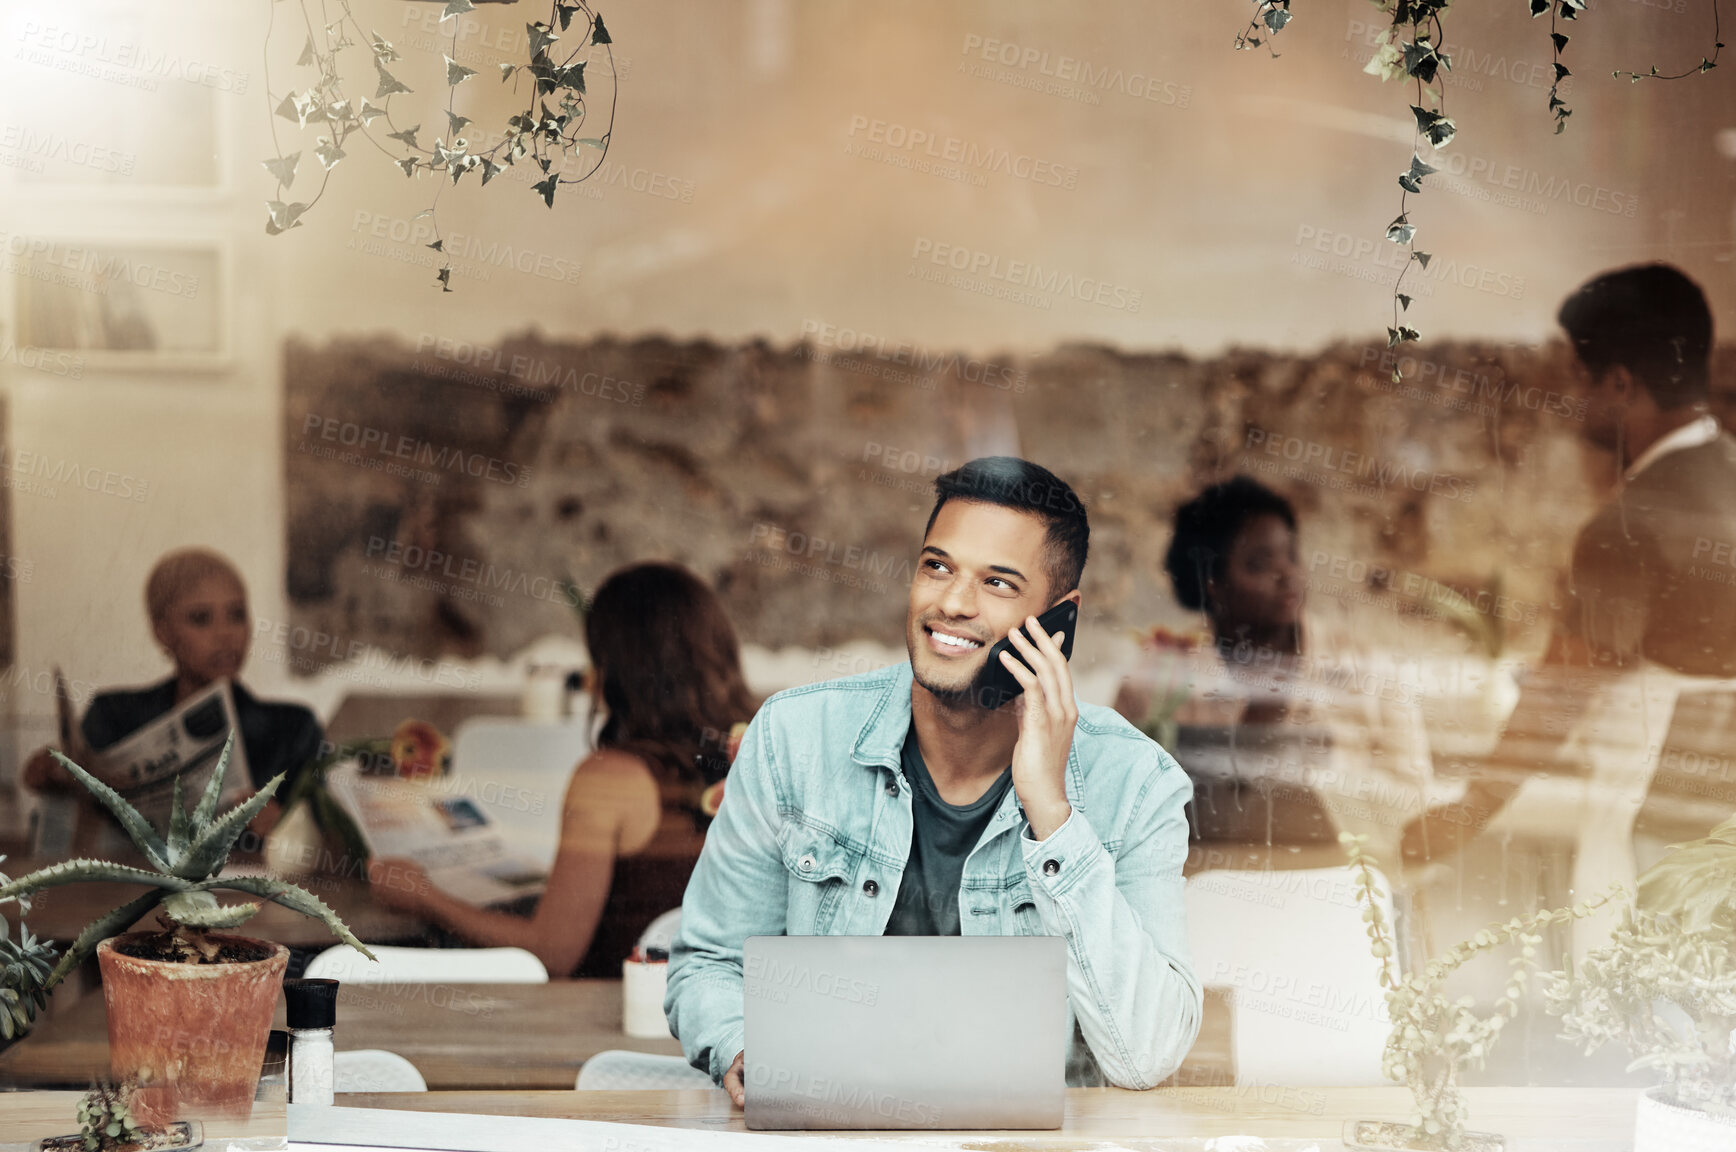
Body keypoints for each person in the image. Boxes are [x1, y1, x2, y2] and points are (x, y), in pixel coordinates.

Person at [666, 457, 1201, 1105]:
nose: (951, 602)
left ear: (1060, 621)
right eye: (937, 566)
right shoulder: (794, 739)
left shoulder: (1137, 784)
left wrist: (1052, 815)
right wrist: (746, 1051)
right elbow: (710, 963)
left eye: (998, 583)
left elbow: (1146, 1056)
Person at [1401, 264, 1736, 874]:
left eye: (1580, 381)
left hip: (1658, 832)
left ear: (1620, 384)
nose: (1573, 402)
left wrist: (1469, 811)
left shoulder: (1628, 525)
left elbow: (1562, 690)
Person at [368, 563, 757, 979]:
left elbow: (553, 952)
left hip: (617, 1024)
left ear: (620, 670)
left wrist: (425, 897)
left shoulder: (610, 779)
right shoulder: (761, 753)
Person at [1114, 477, 1432, 854]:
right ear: (1213, 582)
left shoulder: (1368, 669)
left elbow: (1415, 803)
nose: (1287, 574)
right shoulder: (1162, 678)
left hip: (1342, 889)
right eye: (1260, 564)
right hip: (1205, 893)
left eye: (1292, 555)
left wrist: (1324, 790)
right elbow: (1121, 805)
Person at [23, 548, 323, 843]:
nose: (225, 634)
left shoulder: (293, 729)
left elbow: (330, 846)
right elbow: (82, 814)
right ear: (163, 632)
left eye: (236, 614)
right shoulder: (113, 716)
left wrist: (287, 827)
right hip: (126, 889)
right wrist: (53, 778)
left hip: (242, 891)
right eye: (201, 618)